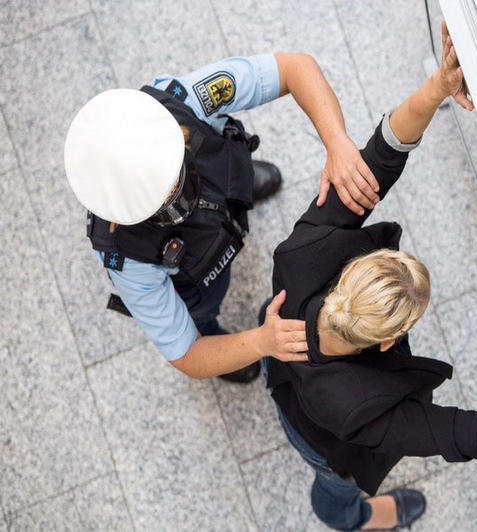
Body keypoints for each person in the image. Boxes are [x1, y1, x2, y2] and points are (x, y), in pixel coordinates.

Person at [265, 23, 477, 530]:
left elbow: (381, 156)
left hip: (279, 368)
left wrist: (442, 83)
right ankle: (351, 521)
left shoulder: (301, 256)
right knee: (336, 485)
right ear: (387, 343)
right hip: (323, 439)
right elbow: (467, 437)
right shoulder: (365, 411)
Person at [64, 52, 381, 382]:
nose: (177, 191)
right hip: (196, 272)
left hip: (223, 183)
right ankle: (226, 347)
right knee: (201, 317)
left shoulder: (179, 101)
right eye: (165, 198)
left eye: (178, 175)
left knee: (229, 171)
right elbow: (187, 354)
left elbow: (293, 68)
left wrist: (336, 142)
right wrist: (259, 342)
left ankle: (239, 187)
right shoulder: (127, 259)